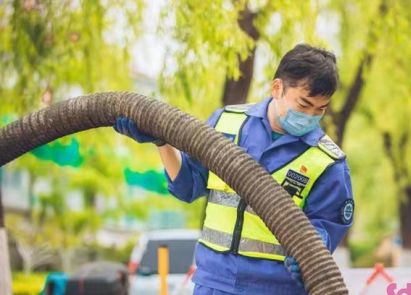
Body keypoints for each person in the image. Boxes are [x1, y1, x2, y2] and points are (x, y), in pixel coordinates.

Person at [114, 44, 355, 295]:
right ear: (277, 88)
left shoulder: (327, 161)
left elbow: (327, 225)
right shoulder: (226, 123)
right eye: (304, 104)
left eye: (320, 109)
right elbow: (187, 186)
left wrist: (312, 248)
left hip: (277, 289)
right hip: (214, 282)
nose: (310, 116)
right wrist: (161, 143)